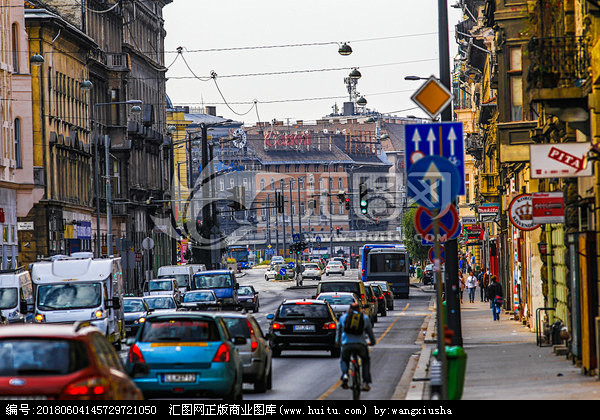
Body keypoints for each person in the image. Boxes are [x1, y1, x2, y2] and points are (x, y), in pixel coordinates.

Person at [336, 302, 376, 392]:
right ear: (359, 309)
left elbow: (338, 330)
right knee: (365, 360)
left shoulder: (343, 317)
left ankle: (345, 375)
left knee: (344, 359)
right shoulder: (364, 318)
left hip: (346, 344)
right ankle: (366, 382)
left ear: (349, 309)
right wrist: (372, 342)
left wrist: (338, 342)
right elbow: (370, 332)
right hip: (361, 344)